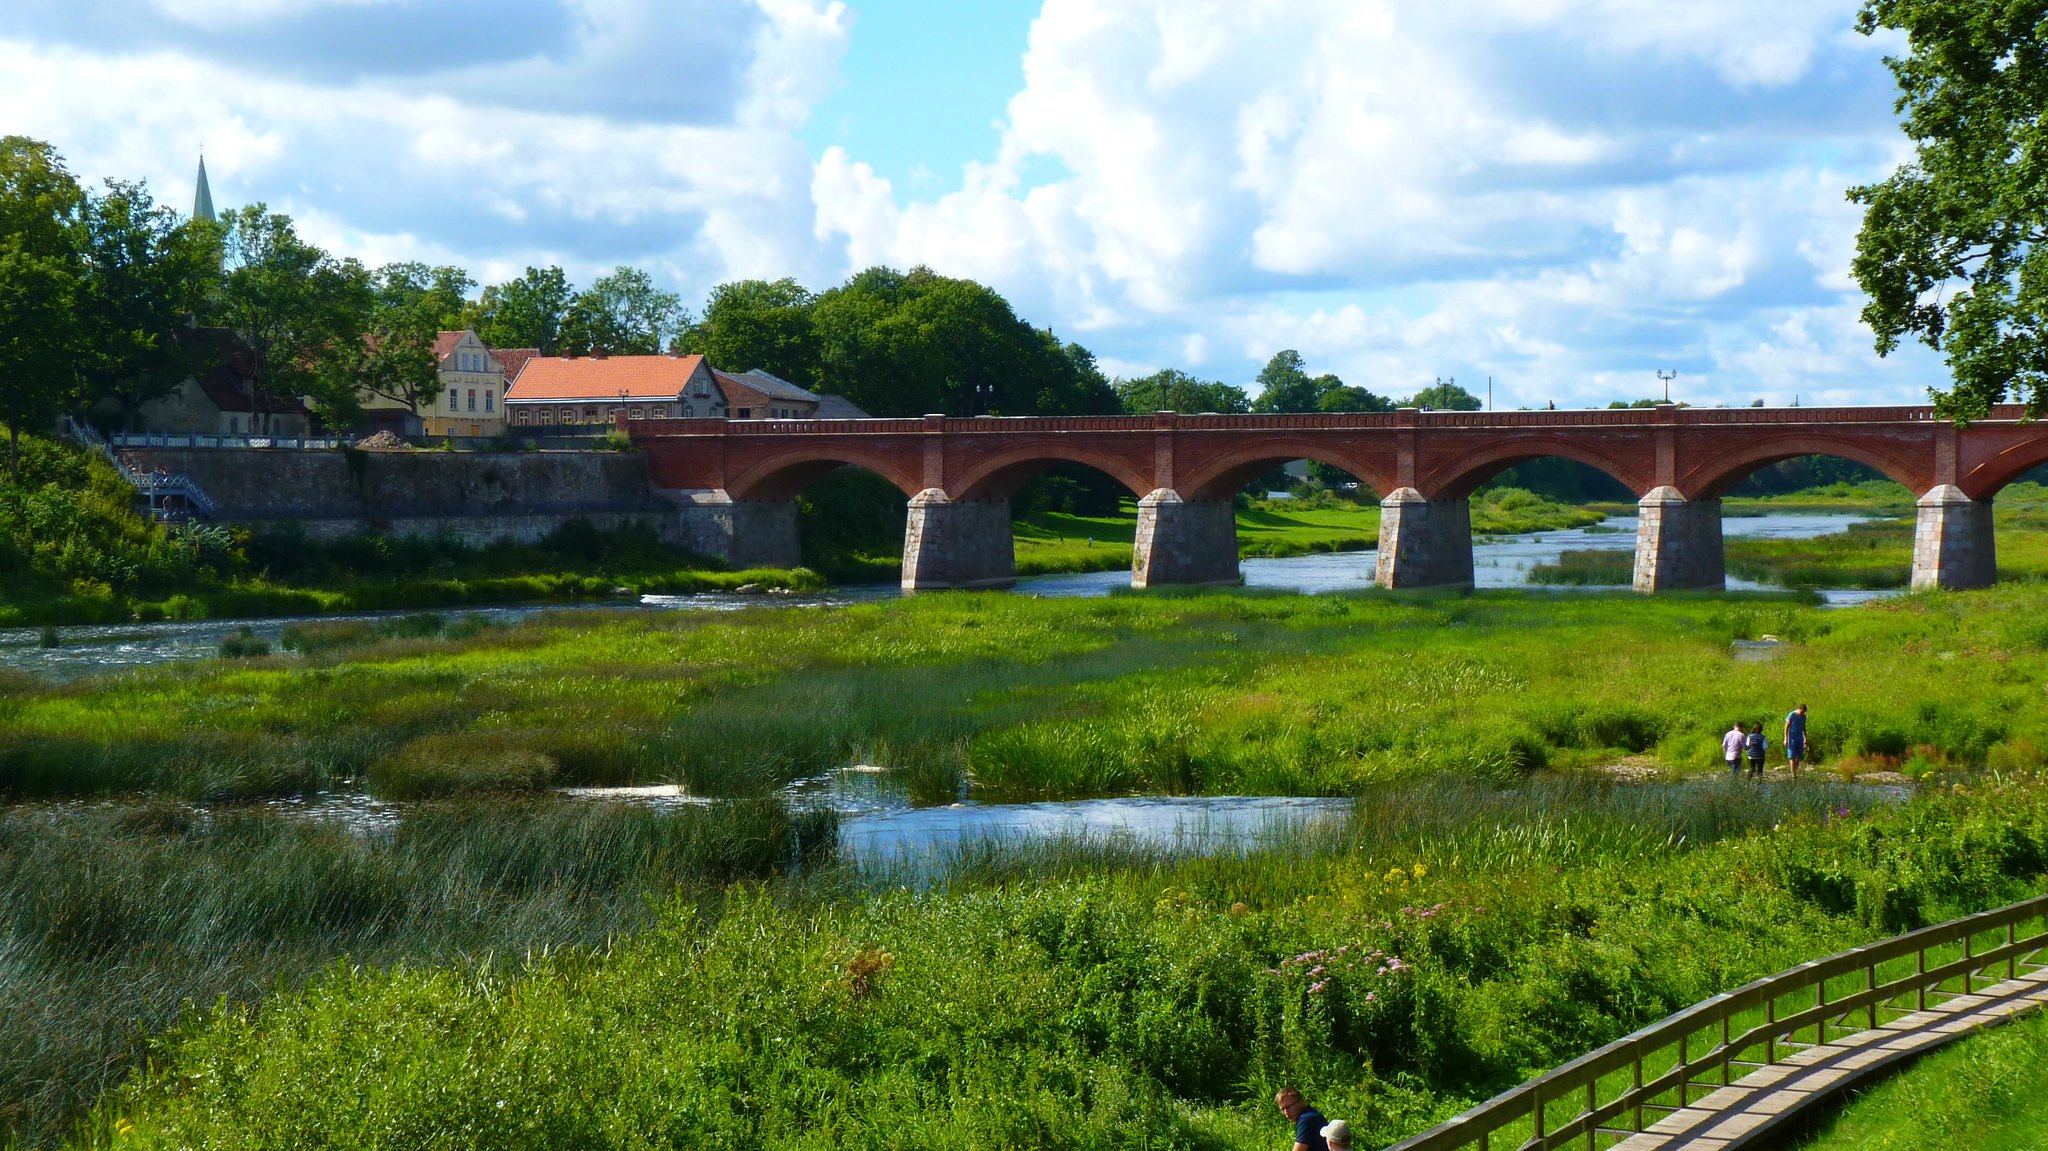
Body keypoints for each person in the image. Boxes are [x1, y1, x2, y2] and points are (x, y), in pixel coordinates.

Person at [1274, 1087, 1329, 1151]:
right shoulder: (1312, 1113)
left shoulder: (1306, 1119)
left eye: (1289, 1106)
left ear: (1301, 1102)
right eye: (1282, 1109)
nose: (1286, 1112)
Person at [1784, 704, 1808, 776]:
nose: (1802, 714)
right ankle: (1793, 774)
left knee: (1798, 756)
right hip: (1792, 737)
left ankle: (1796, 771)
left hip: (1800, 737)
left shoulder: (1804, 716)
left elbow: (1803, 727)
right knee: (1792, 756)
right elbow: (1786, 727)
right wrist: (1786, 738)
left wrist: (1805, 738)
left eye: (1803, 712)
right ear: (1799, 709)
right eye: (1801, 712)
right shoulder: (1792, 715)